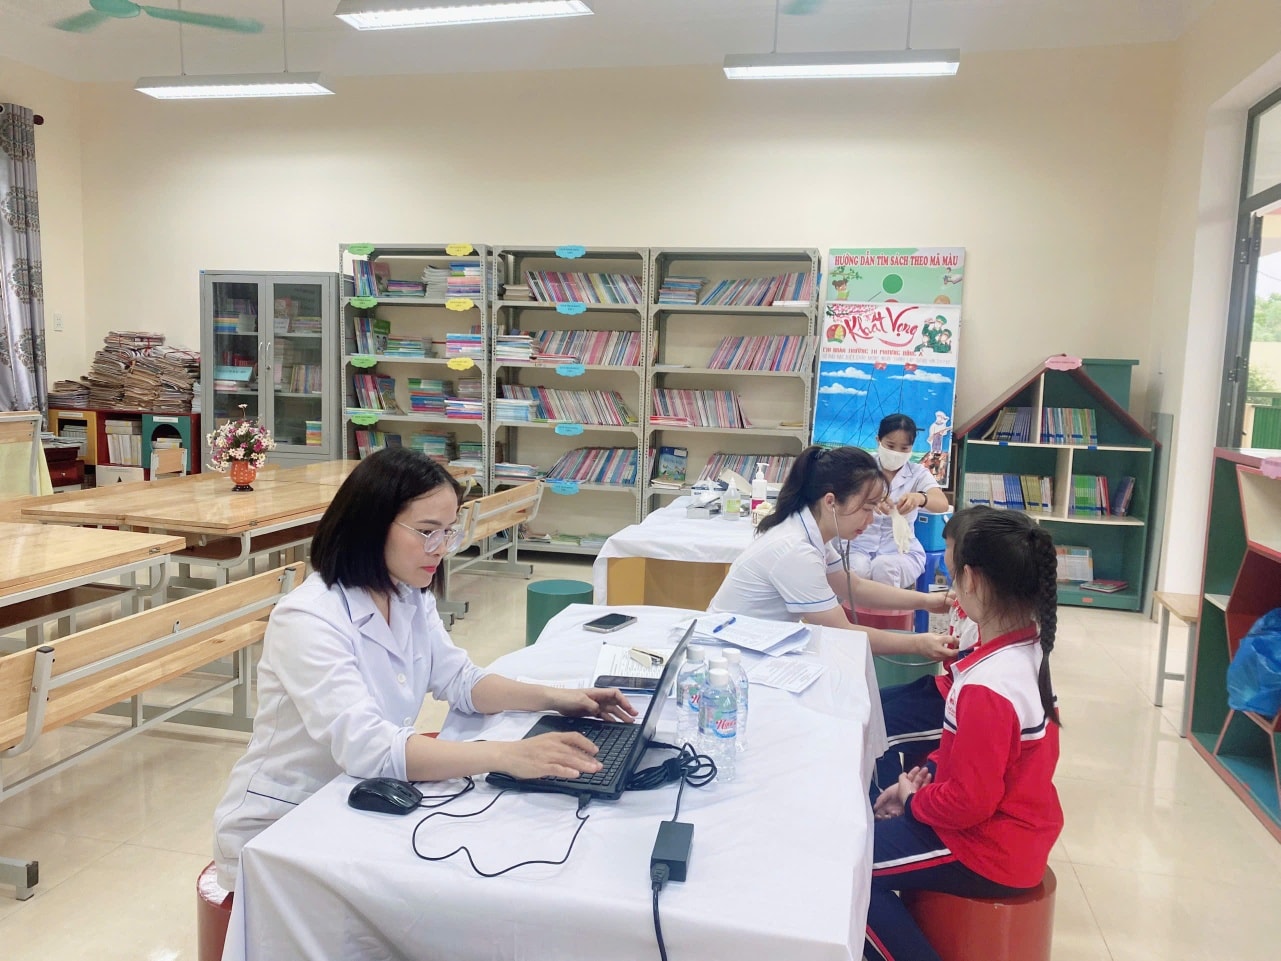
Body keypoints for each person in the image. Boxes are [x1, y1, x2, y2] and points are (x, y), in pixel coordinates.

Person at [212, 448, 636, 890]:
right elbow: (369, 748)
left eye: (448, 531)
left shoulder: (405, 592)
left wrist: (560, 698)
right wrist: (507, 755)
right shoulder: (308, 618)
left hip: (366, 800)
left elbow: (461, 680)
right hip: (284, 825)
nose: (441, 548)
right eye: (428, 532)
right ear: (371, 524)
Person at [864, 508, 1063, 961]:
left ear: (971, 579)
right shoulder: (1027, 650)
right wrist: (925, 778)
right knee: (857, 853)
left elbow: (970, 802)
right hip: (1004, 831)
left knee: (848, 869)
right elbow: (980, 759)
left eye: (954, 577)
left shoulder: (988, 685)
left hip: (986, 849)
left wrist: (915, 802)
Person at [708, 445, 954, 661]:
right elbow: (842, 630)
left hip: (757, 642)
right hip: (731, 651)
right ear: (830, 502)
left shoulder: (810, 531)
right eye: (867, 508)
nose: (871, 520)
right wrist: (918, 644)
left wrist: (927, 601)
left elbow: (853, 587)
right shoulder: (796, 550)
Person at [846, 414, 950, 589]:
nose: (896, 453)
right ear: (878, 441)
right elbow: (839, 496)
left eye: (904, 448)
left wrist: (920, 498)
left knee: (884, 567)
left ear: (912, 448)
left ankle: (887, 608)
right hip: (858, 545)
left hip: (901, 551)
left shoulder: (917, 473)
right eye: (891, 446)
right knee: (856, 570)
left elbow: (942, 503)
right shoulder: (862, 466)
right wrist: (868, 499)